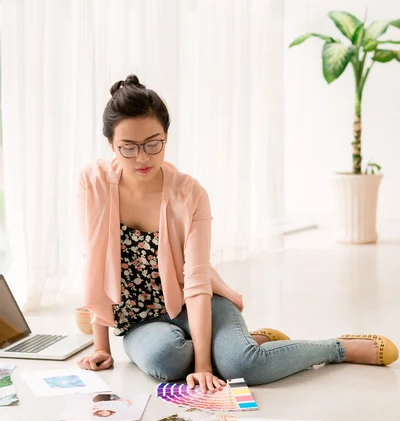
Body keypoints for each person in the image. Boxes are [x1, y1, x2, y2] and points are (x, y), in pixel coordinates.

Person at [77, 74, 398, 392]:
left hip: (194, 304)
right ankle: (242, 344)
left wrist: (204, 366)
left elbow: (198, 283)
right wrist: (101, 347)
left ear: (166, 136)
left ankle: (337, 348)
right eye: (128, 148)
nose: (143, 157)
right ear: (111, 145)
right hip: (140, 322)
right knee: (166, 360)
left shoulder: (190, 194)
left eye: (153, 144)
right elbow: (95, 263)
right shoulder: (94, 184)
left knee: (241, 367)